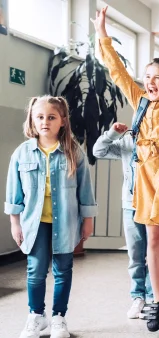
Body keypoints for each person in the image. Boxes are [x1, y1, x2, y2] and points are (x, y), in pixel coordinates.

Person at [93, 6, 159, 333]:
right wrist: (103, 36)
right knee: (153, 241)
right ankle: (155, 298)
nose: (150, 81)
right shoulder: (139, 100)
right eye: (147, 76)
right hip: (144, 184)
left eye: (157, 78)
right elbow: (117, 73)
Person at [6, 96, 97, 338]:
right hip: (34, 225)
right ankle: (36, 316)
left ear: (63, 121)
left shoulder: (73, 152)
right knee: (35, 271)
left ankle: (59, 317)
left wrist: (88, 220)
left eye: (51, 117)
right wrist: (15, 224)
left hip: (66, 223)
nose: (45, 121)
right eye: (40, 117)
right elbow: (13, 193)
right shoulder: (21, 153)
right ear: (32, 121)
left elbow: (85, 190)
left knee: (63, 270)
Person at [92, 122, 153, 319]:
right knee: (135, 254)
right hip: (130, 205)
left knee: (154, 254)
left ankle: (154, 298)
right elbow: (98, 151)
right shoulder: (126, 142)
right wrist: (111, 133)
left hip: (154, 206)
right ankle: (138, 297)